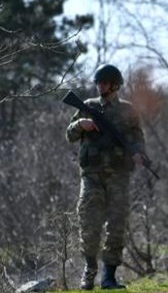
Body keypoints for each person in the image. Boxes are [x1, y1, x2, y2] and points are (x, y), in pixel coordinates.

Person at [65, 64, 147, 290]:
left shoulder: (128, 111)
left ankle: (109, 277)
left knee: (117, 227)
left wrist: (139, 154)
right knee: (89, 224)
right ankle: (89, 271)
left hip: (120, 176)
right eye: (98, 83)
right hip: (91, 176)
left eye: (104, 83)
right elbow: (69, 135)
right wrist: (80, 124)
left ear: (115, 85)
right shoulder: (88, 106)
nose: (100, 86)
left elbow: (138, 138)